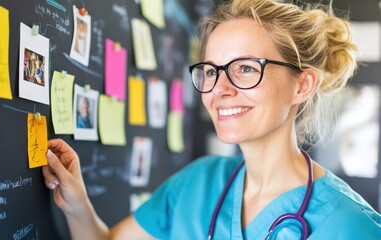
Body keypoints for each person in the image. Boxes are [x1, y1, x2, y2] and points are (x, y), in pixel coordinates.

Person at [42, 0, 381, 239]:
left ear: (302, 85)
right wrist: (77, 204)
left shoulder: (349, 225)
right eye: (210, 71)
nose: (219, 88)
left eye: (246, 68)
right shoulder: (197, 183)